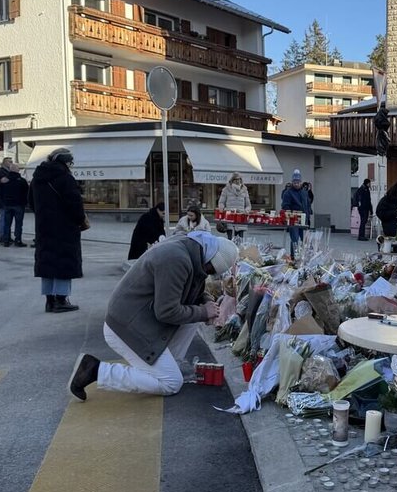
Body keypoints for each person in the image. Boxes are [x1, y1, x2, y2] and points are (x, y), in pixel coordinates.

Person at [67, 231, 239, 400]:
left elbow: (192, 285)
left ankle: (166, 365)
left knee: (194, 318)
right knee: (171, 383)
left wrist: (207, 303)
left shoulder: (193, 248)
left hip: (139, 320)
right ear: (210, 259)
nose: (208, 274)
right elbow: (167, 312)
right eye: (210, 269)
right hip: (126, 327)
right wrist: (203, 311)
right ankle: (95, 370)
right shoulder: (176, 259)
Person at [28, 148, 86, 313]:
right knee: (63, 261)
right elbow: (74, 204)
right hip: (64, 227)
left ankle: (49, 301)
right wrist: (80, 220)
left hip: (43, 226)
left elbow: (30, 202)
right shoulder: (65, 178)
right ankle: (61, 299)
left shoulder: (37, 178)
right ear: (66, 162)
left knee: (47, 261)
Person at [281, 169, 311, 257]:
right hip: (293, 220)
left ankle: (304, 257)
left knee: (304, 240)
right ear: (292, 182)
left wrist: (308, 217)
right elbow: (285, 206)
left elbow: (308, 205)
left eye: (298, 182)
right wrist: (291, 215)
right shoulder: (288, 193)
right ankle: (293, 257)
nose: (296, 184)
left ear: (301, 182)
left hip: (304, 219)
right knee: (294, 239)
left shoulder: (304, 192)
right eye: (295, 182)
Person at [0, 163, 29, 247]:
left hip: (7, 204)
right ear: (17, 170)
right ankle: (18, 240)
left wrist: (3, 201)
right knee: (18, 223)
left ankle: (6, 241)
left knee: (7, 223)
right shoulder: (22, 181)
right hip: (19, 205)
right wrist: (25, 202)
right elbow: (26, 192)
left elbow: (0, 192)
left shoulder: (5, 180)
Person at [217, 173, 251, 240]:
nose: (237, 181)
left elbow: (248, 205)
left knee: (240, 240)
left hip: (241, 217)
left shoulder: (244, 190)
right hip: (230, 217)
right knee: (230, 239)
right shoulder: (226, 189)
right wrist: (222, 209)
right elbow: (221, 202)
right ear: (232, 180)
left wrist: (246, 211)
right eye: (236, 179)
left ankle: (239, 250)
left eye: (239, 179)